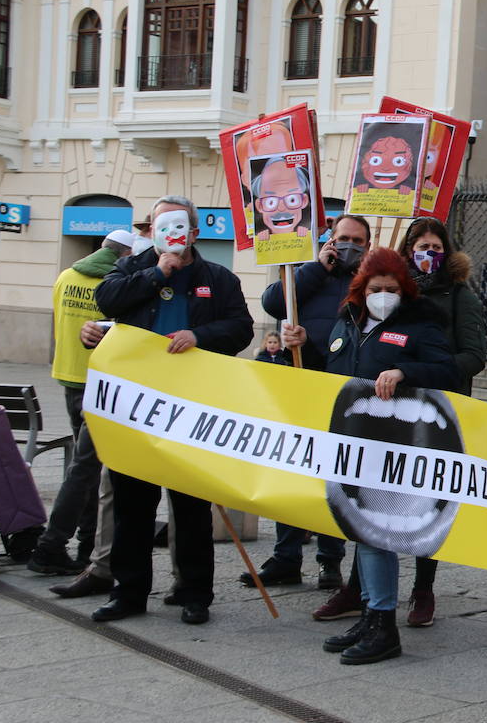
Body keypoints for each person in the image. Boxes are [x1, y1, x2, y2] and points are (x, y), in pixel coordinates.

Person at [284, 247, 459, 665]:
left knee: (375, 532)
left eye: (392, 289)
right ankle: (369, 613)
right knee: (359, 532)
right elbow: (332, 369)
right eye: (376, 288)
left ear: (404, 290)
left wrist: (404, 372)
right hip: (350, 440)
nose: (384, 295)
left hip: (392, 442)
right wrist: (302, 347)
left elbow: (448, 369)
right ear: (362, 290)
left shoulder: (421, 322)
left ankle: (384, 624)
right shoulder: (348, 320)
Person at [91, 196, 254, 626]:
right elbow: (106, 302)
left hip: (191, 408)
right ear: (151, 232)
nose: (172, 236)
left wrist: (199, 335)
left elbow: (240, 328)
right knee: (132, 505)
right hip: (135, 406)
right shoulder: (132, 268)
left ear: (195, 233)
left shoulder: (217, 278)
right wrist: (156, 273)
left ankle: (194, 592)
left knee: (191, 505)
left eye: (180, 227)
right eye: (161, 227)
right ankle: (128, 591)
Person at [249, 213, 371, 596]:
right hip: (296, 385)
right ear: (330, 240)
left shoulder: (368, 284)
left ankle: (329, 560)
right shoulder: (310, 273)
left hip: (336, 388)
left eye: (358, 240)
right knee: (292, 473)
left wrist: (314, 343)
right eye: (343, 238)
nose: (349, 245)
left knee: (331, 480)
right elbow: (274, 301)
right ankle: (285, 556)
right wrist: (315, 268)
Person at [396, 215, 487, 626]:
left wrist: (425, 372)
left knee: (426, 502)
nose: (427, 255)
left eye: (435, 248)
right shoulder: (390, 291)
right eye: (420, 248)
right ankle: (357, 587)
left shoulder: (459, 296)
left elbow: (474, 357)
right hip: (388, 406)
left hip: (437, 412)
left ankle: (423, 589)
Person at [27, 230, 134, 580]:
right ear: (123, 255)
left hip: (69, 377)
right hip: (99, 381)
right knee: (86, 468)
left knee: (86, 465)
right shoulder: (116, 282)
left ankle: (88, 544)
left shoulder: (66, 276)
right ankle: (51, 545)